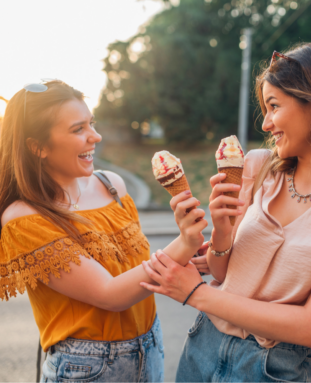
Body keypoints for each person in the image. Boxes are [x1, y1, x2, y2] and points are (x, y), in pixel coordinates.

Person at [140, 43, 311, 382]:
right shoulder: (258, 166)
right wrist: (221, 231)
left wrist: (196, 293)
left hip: (275, 368)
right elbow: (223, 271)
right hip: (202, 346)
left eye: (274, 106)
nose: (265, 124)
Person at [0, 80, 207, 382]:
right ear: (38, 147)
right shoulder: (25, 218)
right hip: (86, 367)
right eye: (78, 129)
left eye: (92, 124)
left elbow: (133, 272)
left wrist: (186, 257)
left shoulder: (112, 186)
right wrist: (183, 242)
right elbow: (109, 294)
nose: (95, 137)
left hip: (149, 345)